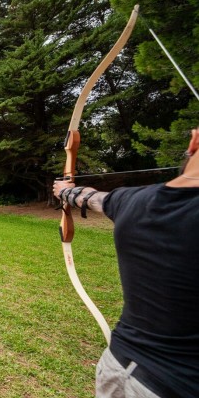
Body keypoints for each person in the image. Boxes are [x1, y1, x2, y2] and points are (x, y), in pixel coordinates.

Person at [53, 128, 199, 397]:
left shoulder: (134, 201)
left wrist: (66, 191)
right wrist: (68, 192)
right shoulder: (132, 200)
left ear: (194, 140)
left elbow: (91, 197)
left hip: (128, 373)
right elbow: (91, 197)